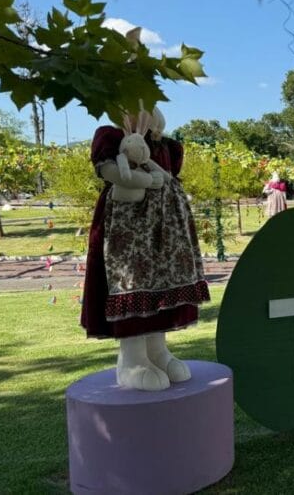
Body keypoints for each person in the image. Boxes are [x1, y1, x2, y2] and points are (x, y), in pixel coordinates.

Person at [81, 108, 210, 391]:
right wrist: (143, 180)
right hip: (128, 224)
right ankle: (132, 358)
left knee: (163, 283)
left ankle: (157, 351)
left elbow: (169, 175)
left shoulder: (164, 144)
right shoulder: (111, 136)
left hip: (165, 226)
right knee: (131, 280)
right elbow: (110, 171)